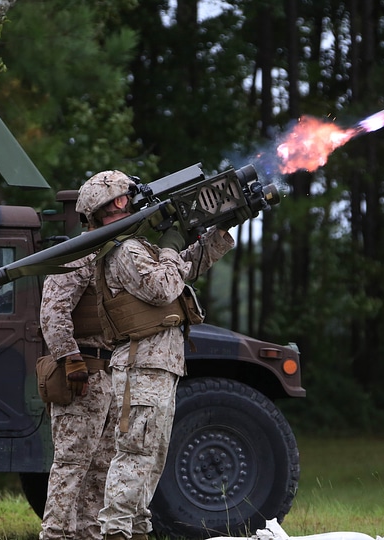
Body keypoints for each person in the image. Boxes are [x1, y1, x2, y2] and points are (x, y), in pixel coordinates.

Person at [74, 169, 252, 540]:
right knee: (134, 455)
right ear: (116, 203)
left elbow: (182, 269)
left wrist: (218, 234)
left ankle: (135, 530)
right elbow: (163, 287)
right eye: (125, 196)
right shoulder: (125, 250)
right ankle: (116, 532)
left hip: (156, 367)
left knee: (151, 460)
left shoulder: (136, 247)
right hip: (142, 367)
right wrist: (171, 245)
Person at [38, 175, 120, 540]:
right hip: (82, 374)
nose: (121, 210)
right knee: (71, 466)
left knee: (102, 468)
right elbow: (53, 311)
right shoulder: (79, 255)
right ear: (93, 214)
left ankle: (90, 534)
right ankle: (55, 534)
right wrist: (71, 359)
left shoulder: (120, 254)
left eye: (124, 204)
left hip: (112, 374)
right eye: (111, 206)